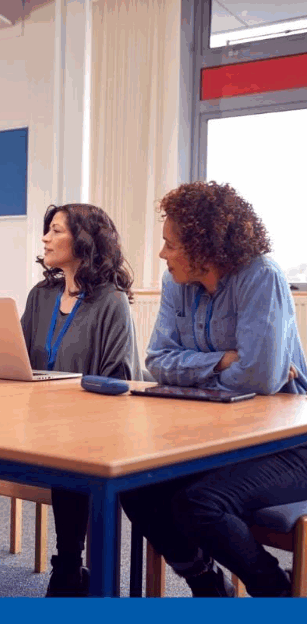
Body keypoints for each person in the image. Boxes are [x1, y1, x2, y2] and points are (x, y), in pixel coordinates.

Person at [121, 181, 307, 598]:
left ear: (204, 246)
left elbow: (260, 378)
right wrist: (225, 359)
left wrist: (195, 370)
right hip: (222, 435)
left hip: (291, 442)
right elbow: (157, 361)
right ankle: (207, 585)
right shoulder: (175, 284)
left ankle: (275, 594)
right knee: (137, 486)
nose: (161, 254)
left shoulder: (262, 276)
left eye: (170, 244)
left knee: (200, 503)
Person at [20, 203, 141, 596]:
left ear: (84, 240)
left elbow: (118, 380)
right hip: (36, 420)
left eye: (55, 230)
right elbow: (16, 358)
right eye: (47, 230)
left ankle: (68, 565)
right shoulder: (41, 295)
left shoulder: (112, 301)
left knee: (69, 448)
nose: (45, 238)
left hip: (91, 429)